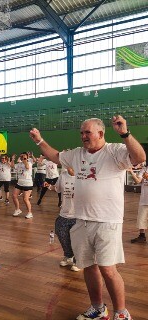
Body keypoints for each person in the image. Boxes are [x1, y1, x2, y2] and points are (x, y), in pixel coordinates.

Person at [30, 116, 145, 320]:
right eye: (81, 133)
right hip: (80, 220)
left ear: (100, 134)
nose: (83, 136)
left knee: (108, 270)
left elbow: (139, 158)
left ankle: (121, 313)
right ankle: (98, 308)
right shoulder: (76, 154)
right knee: (88, 267)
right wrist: (39, 140)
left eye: (87, 132)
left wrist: (125, 133)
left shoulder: (115, 150)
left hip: (107, 221)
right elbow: (56, 156)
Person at [45, 167, 80, 272]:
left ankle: (78, 260)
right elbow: (57, 188)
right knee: (61, 233)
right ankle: (68, 256)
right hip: (64, 212)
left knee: (77, 240)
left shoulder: (82, 175)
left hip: (79, 214)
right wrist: (49, 186)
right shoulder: (63, 175)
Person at [128, 165, 148, 243]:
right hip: (144, 199)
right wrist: (131, 172)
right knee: (141, 219)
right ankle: (142, 236)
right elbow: (137, 181)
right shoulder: (144, 169)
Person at [11, 152, 33, 219]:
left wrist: (25, 159)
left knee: (25, 199)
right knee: (14, 196)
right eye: (21, 156)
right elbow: (12, 166)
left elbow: (27, 167)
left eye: (24, 156)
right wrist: (12, 159)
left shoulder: (29, 163)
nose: (22, 157)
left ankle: (30, 213)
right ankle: (17, 209)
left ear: (27, 157)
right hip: (20, 182)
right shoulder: (19, 164)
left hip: (27, 183)